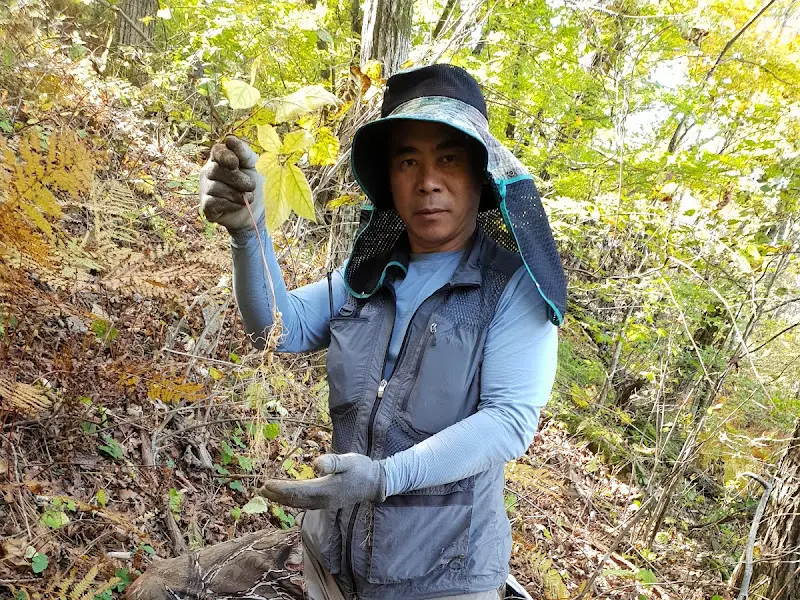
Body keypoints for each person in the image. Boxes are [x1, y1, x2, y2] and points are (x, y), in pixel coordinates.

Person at [127, 64, 566, 600]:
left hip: (441, 579)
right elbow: (277, 329)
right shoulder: (367, 274)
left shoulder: (512, 289)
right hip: (329, 559)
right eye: (408, 160)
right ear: (388, 179)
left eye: (448, 158)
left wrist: (383, 478)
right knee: (159, 591)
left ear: (480, 173)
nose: (428, 180)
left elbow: (508, 422)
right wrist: (250, 233)